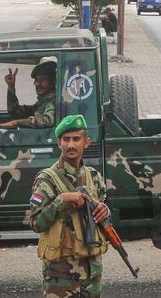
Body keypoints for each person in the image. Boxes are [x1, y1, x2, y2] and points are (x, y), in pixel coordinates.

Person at [30, 114, 110, 298]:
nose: (71, 145)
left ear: (86, 142)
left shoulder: (94, 177)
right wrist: (62, 200)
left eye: (76, 139)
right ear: (59, 143)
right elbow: (36, 223)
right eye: (66, 140)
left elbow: (104, 216)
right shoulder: (47, 179)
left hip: (92, 269)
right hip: (61, 273)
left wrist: (104, 211)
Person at [0, 60, 57, 128]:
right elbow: (15, 111)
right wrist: (11, 87)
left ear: (54, 81)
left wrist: (14, 123)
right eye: (36, 80)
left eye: (43, 80)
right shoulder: (43, 102)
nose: (38, 84)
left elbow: (46, 120)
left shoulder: (54, 101)